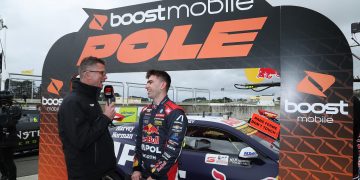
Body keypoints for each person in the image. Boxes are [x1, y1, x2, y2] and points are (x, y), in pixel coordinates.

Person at [58, 56, 120, 180]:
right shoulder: (73, 102)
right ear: (87, 75)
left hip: (100, 173)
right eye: (102, 73)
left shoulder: (89, 99)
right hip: (86, 174)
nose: (105, 77)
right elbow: (82, 140)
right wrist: (105, 118)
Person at [132, 70, 188, 180]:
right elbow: (139, 141)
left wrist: (155, 175)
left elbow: (173, 149)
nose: (146, 86)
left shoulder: (175, 112)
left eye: (150, 82)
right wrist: (136, 168)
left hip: (164, 175)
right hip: (143, 173)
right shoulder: (145, 110)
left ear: (162, 85)